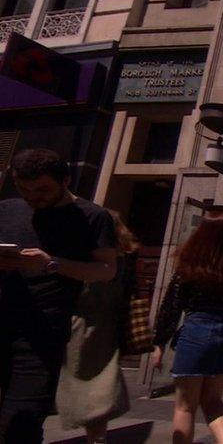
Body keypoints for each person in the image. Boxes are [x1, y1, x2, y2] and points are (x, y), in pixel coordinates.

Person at [0, 148, 118, 444]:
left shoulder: (93, 217)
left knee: (20, 423)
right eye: (24, 188)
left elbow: (106, 270)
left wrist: (52, 263)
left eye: (42, 190)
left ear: (65, 180)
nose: (32, 197)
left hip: (40, 337)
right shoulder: (8, 209)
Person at [150, 210, 223, 444]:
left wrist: (159, 342)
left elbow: (171, 306)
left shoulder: (189, 266)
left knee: (186, 407)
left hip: (197, 330)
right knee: (213, 400)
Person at [56, 212, 137, 443]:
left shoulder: (85, 257)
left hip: (77, 325)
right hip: (106, 328)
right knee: (98, 390)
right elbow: (129, 295)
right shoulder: (124, 261)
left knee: (80, 384)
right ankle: (97, 439)